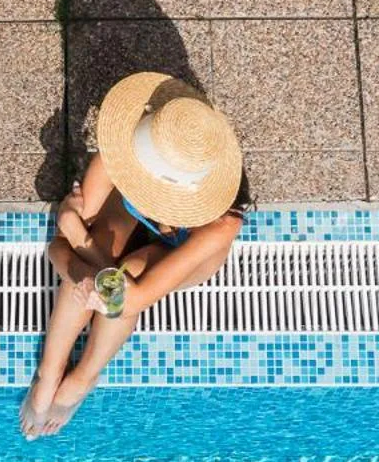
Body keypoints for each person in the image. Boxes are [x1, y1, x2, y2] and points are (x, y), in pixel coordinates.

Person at [22, 73, 245, 438]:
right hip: (115, 248)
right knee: (105, 259)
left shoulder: (219, 224)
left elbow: (131, 298)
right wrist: (81, 258)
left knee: (126, 276)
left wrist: (77, 239)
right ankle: (49, 372)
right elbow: (58, 247)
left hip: (177, 254)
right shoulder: (121, 155)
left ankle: (83, 376)